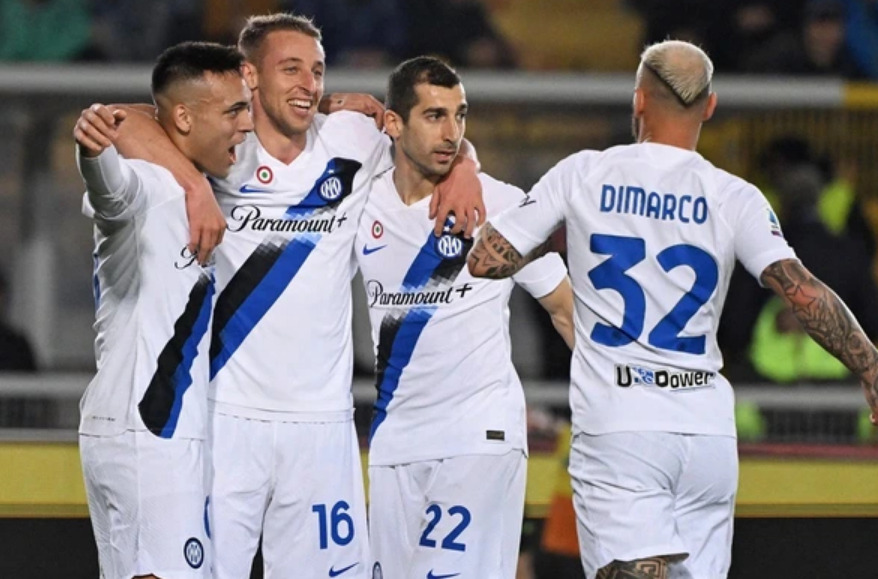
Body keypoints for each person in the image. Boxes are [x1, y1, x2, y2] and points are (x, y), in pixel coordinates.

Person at [467, 39, 878, 579]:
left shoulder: (584, 174)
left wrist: (542, 230)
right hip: (706, 432)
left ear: (638, 100)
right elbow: (802, 291)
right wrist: (875, 372)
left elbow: (487, 261)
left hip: (622, 425)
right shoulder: (735, 196)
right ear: (710, 107)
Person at [112, 13, 484, 578]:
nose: (309, 84)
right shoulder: (221, 149)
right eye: (291, 69)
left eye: (317, 71)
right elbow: (118, 120)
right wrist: (193, 186)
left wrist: (465, 169)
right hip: (225, 417)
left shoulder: (353, 138)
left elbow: (436, 137)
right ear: (249, 76)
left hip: (323, 425)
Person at [355, 56, 574, 579]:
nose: (452, 133)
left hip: (478, 435)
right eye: (434, 116)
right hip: (394, 439)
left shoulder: (501, 204)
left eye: (460, 116)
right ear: (393, 123)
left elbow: (565, 310)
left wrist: (621, 401)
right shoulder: (361, 202)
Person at [73, 41, 252, 579]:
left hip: (146, 430)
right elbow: (112, 191)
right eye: (234, 111)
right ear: (184, 118)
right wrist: (93, 153)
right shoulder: (149, 186)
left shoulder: (196, 183)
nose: (246, 125)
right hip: (146, 431)